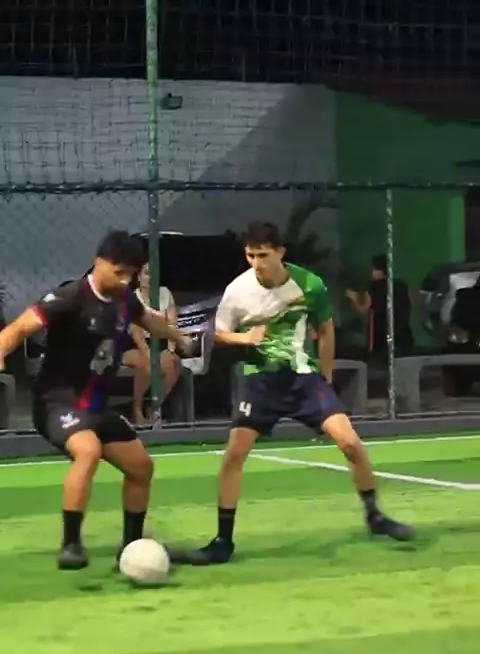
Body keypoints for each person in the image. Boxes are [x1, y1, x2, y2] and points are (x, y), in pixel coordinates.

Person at [182, 222, 413, 565]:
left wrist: (326, 376)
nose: (256, 263)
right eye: (250, 255)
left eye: (263, 255)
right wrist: (244, 338)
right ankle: (222, 541)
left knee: (350, 443)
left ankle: (374, 515)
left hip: (305, 379)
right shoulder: (238, 290)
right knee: (234, 454)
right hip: (261, 380)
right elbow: (218, 333)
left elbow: (325, 330)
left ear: (280, 252)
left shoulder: (308, 284)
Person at [0, 230, 193, 571]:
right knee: (87, 451)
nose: (125, 280)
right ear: (97, 261)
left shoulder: (126, 300)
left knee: (141, 467)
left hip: (97, 408)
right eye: (118, 272)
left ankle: (131, 545)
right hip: (57, 403)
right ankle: (71, 544)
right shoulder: (69, 297)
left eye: (130, 274)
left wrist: (180, 338)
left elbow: (150, 320)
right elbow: (18, 328)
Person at [122, 264, 181, 423]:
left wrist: (170, 349)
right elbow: (135, 330)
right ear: (139, 278)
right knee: (145, 364)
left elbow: (171, 324)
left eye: (154, 273)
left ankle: (154, 407)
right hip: (136, 343)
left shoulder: (165, 293)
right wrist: (147, 352)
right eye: (147, 273)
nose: (151, 277)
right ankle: (137, 410)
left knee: (173, 364)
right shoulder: (133, 297)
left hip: (160, 341)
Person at [346, 254, 414, 359]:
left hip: (382, 338)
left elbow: (363, 311)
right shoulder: (402, 285)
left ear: (380, 270)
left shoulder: (374, 287)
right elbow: (411, 302)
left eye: (374, 269)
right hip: (404, 335)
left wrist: (353, 298)